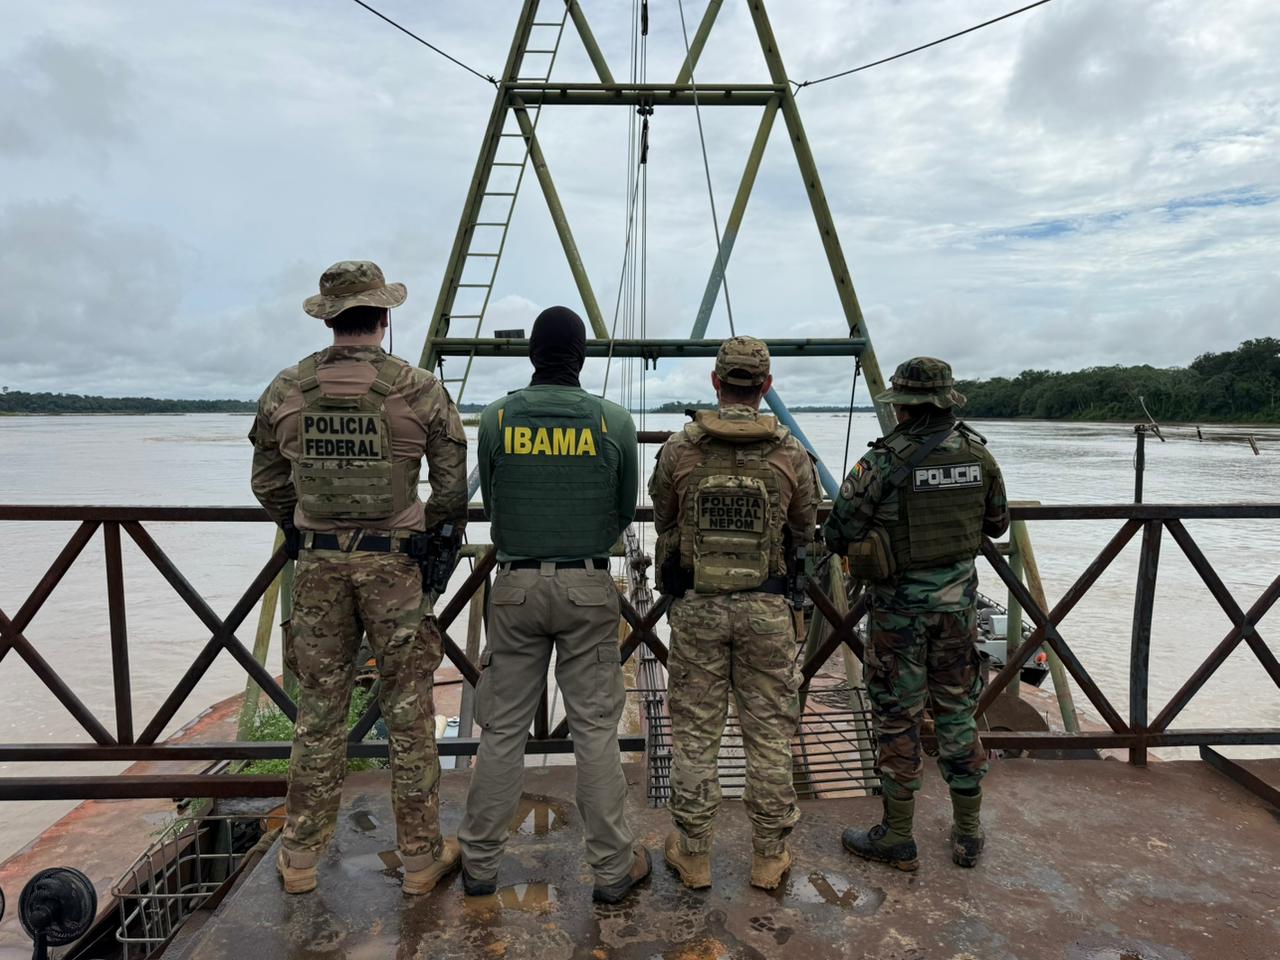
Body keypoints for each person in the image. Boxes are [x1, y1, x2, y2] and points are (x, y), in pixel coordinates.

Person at [249, 260, 469, 895]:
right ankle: (423, 859)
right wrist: (413, 522)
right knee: (408, 713)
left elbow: (266, 482)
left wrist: (306, 522)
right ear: (384, 318)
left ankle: (299, 859)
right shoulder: (420, 389)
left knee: (318, 713)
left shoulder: (286, 389)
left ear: (329, 317)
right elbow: (451, 491)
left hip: (316, 567)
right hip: (395, 571)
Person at [458, 305, 649, 905]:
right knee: (595, 729)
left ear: (532, 356)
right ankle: (613, 870)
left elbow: (493, 503)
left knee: (503, 730)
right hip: (589, 585)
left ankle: (480, 865)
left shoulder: (497, 417)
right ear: (582, 358)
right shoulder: (612, 421)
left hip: (513, 585)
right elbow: (623, 511)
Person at [823, 356, 1009, 871]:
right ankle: (969, 834)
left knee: (898, 719)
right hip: (958, 613)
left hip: (898, 617)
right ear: (947, 401)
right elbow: (996, 525)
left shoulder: (882, 462)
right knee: (957, 713)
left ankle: (898, 837)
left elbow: (836, 532)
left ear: (902, 407)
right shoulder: (979, 456)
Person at [649, 336, 820, 892]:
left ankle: (695, 854)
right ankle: (769, 856)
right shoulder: (790, 452)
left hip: (698, 607)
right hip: (767, 608)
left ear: (715, 381)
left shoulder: (681, 449)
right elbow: (804, 528)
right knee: (769, 733)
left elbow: (663, 518)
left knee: (696, 734)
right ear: (765, 387)